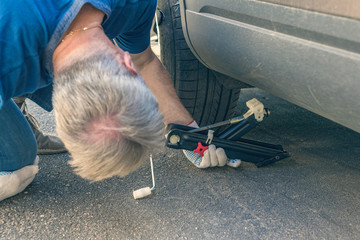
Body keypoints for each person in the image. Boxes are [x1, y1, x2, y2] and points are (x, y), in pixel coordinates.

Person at [0, 0, 240, 202]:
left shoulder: (133, 4)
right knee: (18, 166)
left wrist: (189, 133)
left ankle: (16, 99)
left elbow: (144, 61)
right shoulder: (8, 44)